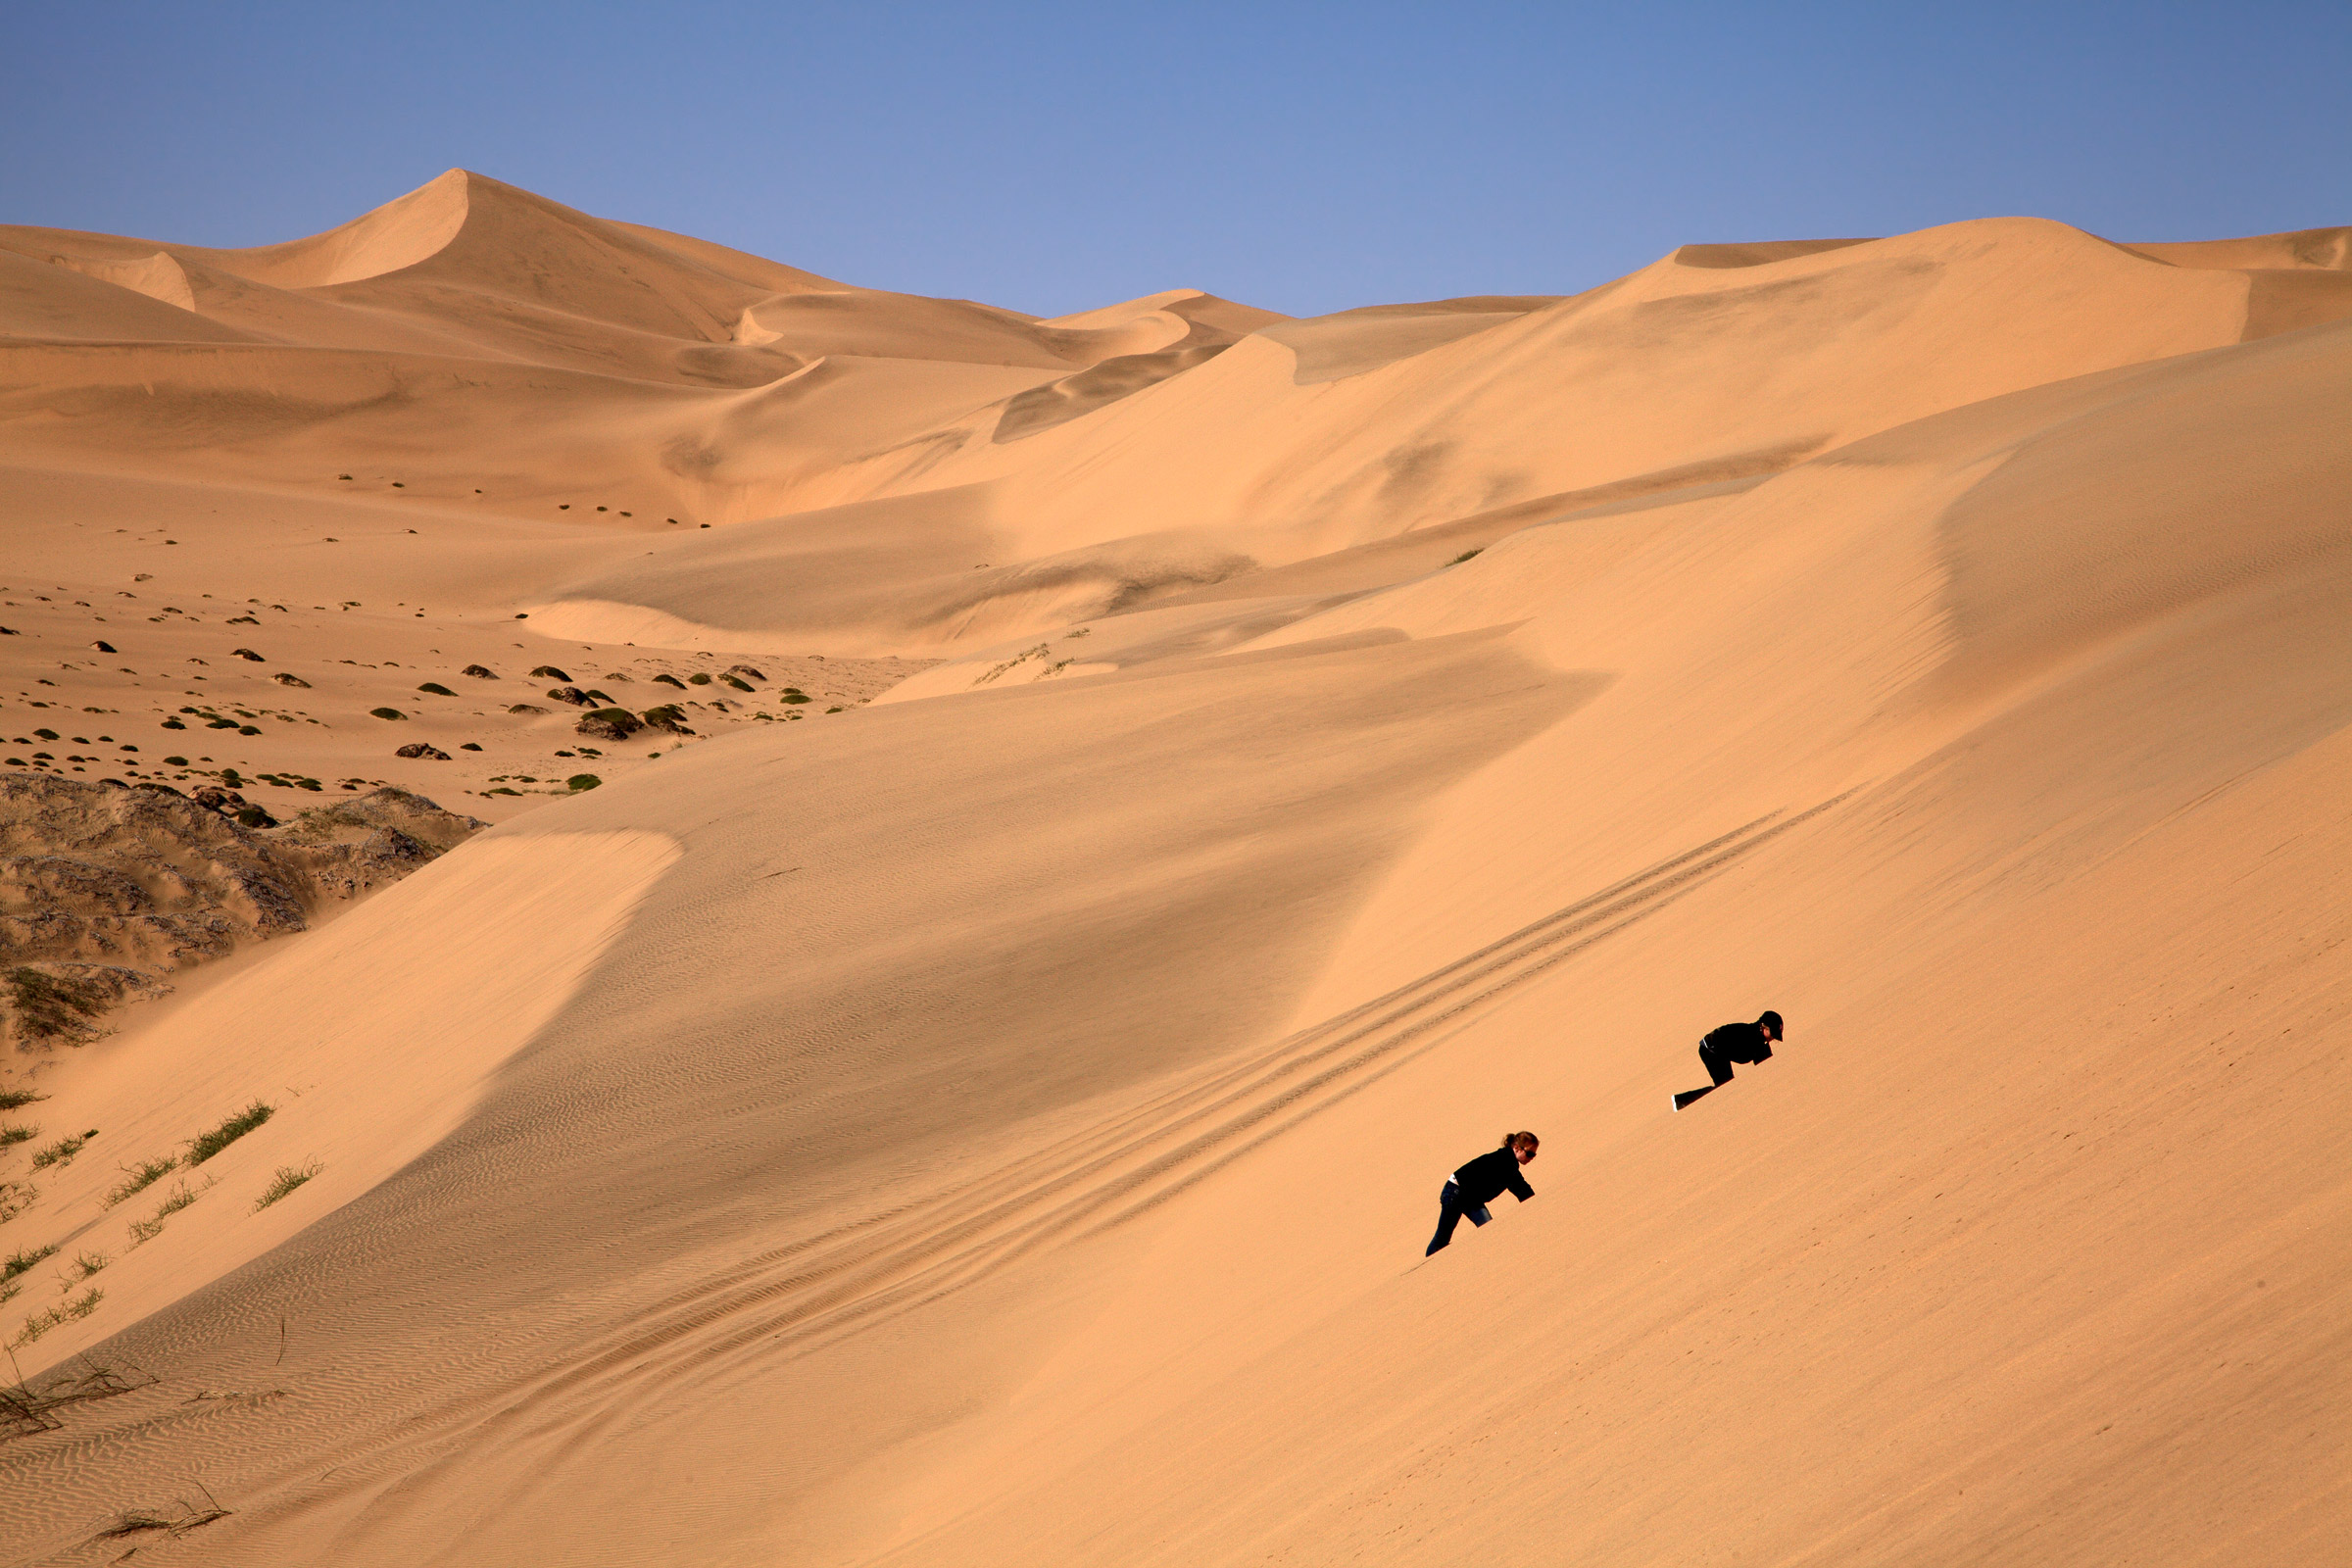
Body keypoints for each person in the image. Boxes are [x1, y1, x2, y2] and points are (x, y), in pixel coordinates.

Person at [1425, 1131, 1539, 1254]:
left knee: (1488, 1229)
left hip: (1471, 1197)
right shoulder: (1506, 1161)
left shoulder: (1507, 1161)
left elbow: (1520, 1188)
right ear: (1516, 1148)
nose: (1531, 1158)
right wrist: (1537, 1206)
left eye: (1534, 1155)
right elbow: (1521, 1188)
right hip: (1456, 1191)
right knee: (1442, 1237)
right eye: (1529, 1153)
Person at [1671, 1010, 1783, 1111]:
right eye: (1773, 1033)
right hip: (1710, 1049)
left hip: (1717, 1049)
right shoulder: (1755, 1039)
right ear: (1764, 1027)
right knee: (1725, 1087)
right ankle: (1682, 1102)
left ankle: (1682, 1101)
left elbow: (1766, 1068)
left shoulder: (1759, 1040)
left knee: (1727, 1087)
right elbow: (1765, 1069)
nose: (1773, 1038)